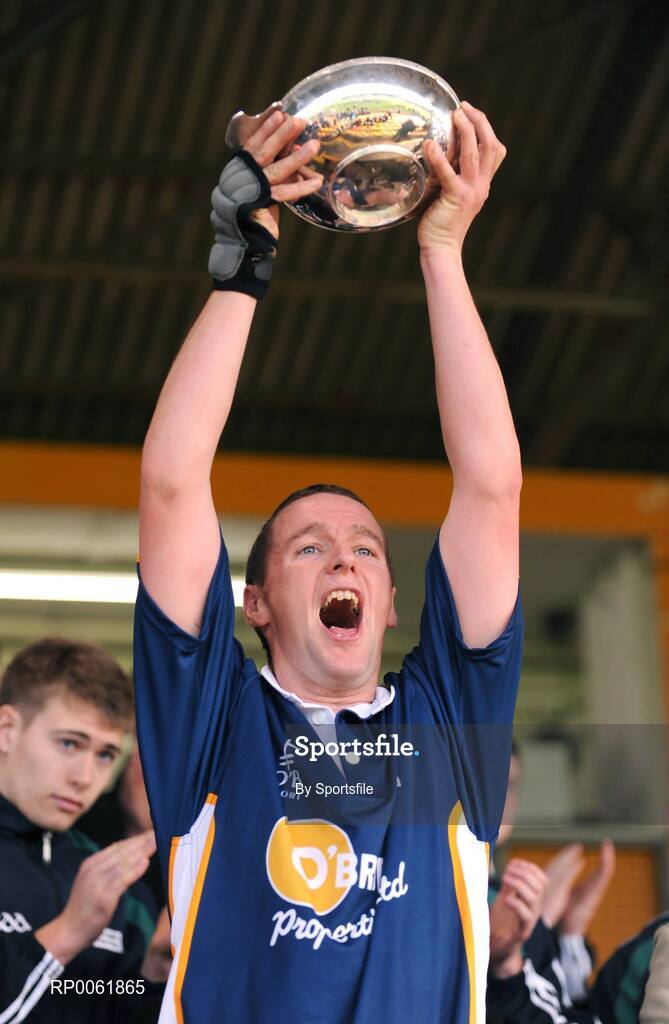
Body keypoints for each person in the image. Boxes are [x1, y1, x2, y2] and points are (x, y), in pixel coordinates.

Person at [135, 102, 522, 1024]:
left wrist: (442, 252)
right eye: (308, 548)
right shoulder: (217, 724)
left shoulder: (447, 718)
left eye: (365, 550)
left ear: (390, 603)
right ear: (258, 601)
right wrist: (242, 271)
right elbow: (172, 485)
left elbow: (491, 488)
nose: (343, 556)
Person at [0, 637, 159, 1023]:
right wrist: (68, 933)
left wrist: (161, 972)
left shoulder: (117, 887)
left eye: (105, 754)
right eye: (70, 744)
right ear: (6, 729)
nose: (86, 778)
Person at [488, 743, 616, 1023]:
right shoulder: (440, 888)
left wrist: (567, 932)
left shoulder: (500, 891)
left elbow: (565, 1004)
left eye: (510, 785)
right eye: (488, 778)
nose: (500, 797)